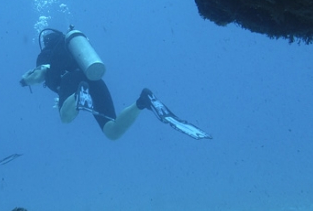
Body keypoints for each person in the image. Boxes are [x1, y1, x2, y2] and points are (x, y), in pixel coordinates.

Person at [20, 27, 212, 141]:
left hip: (75, 82)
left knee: (65, 118)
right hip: (93, 80)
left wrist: (25, 80)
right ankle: (142, 101)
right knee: (112, 132)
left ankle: (79, 96)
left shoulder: (45, 56)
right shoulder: (70, 53)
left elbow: (39, 74)